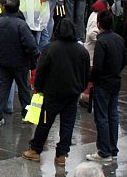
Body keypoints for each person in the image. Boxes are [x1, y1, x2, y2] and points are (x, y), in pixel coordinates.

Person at [21, 18, 90, 166]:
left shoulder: (50, 48)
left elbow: (41, 71)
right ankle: (61, 155)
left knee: (45, 122)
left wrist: (37, 87)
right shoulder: (82, 51)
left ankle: (35, 150)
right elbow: (86, 75)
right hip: (72, 95)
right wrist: (80, 88)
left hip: (52, 94)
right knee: (68, 124)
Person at [0, 0, 39, 126]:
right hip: (20, 63)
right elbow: (31, 45)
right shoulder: (21, 25)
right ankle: (26, 115)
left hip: (3, 62)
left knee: (2, 89)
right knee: (24, 91)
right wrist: (34, 56)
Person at [87, 10, 127, 164]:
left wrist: (93, 80)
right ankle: (112, 149)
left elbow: (97, 66)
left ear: (98, 24)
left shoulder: (101, 42)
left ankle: (104, 151)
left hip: (102, 83)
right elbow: (124, 59)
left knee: (102, 117)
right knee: (113, 115)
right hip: (115, 82)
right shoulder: (119, 39)